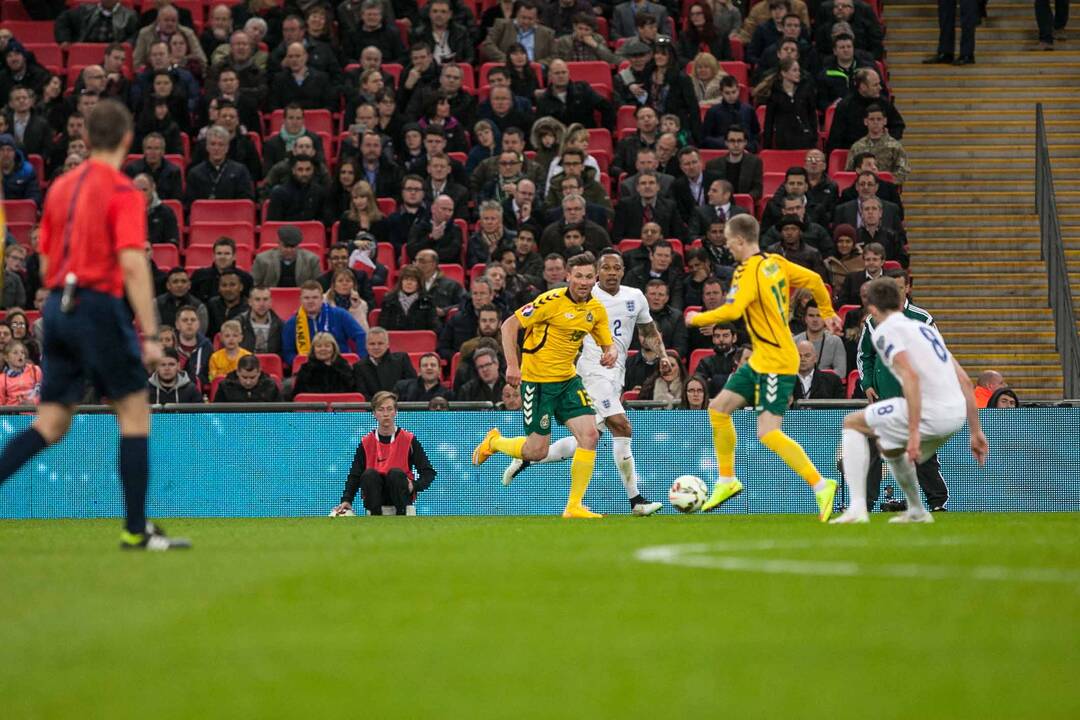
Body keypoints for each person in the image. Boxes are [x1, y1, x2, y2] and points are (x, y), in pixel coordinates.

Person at [0, 99, 188, 550]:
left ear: (85, 139)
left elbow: (45, 255)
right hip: (97, 306)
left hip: (56, 309)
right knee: (134, 411)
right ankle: (136, 529)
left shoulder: (61, 187)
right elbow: (132, 263)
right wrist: (148, 331)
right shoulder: (123, 191)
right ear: (127, 140)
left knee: (50, 423)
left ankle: (137, 526)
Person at [686, 214, 841, 520]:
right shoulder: (776, 262)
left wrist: (697, 319)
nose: (729, 248)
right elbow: (813, 280)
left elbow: (733, 309)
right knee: (718, 410)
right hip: (762, 357)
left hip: (777, 360)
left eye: (730, 242)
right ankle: (727, 479)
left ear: (740, 241)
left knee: (768, 432)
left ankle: (821, 484)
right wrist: (827, 310)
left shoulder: (747, 271)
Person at [472, 252, 617, 518]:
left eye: (588, 277)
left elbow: (606, 342)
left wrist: (611, 352)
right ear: (568, 277)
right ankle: (495, 442)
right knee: (536, 452)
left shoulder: (595, 310)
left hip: (567, 381)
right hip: (537, 384)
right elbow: (508, 326)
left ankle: (574, 506)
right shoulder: (549, 302)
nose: (583, 282)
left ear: (595, 278)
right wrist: (513, 365)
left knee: (590, 436)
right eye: (578, 276)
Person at [832, 278, 988, 523]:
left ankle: (857, 508)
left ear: (871, 308)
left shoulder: (884, 331)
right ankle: (916, 510)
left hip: (930, 411)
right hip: (955, 414)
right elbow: (965, 381)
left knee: (853, 423)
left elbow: (911, 378)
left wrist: (914, 432)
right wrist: (976, 432)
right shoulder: (925, 328)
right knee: (890, 447)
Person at [331, 391, 437, 516]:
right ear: (374, 414)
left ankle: (402, 513)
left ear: (395, 412)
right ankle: (375, 515)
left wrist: (414, 485)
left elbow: (429, 473)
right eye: (381, 410)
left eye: (389, 409)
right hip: (375, 497)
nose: (386, 414)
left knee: (395, 474)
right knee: (369, 474)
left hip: (400, 495)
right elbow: (355, 474)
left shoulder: (409, 439)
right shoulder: (366, 441)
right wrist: (347, 500)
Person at [282, 281, 368, 367]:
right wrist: (302, 365)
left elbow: (360, 335)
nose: (310, 301)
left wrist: (360, 362)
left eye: (315, 297)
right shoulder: (292, 323)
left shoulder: (340, 314)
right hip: (308, 370)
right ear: (300, 300)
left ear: (322, 298)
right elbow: (288, 353)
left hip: (339, 367)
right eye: (306, 298)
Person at [0, 341, 42, 405]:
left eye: (22, 352)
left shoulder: (35, 371)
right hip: (12, 414)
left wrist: (33, 401)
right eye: (15, 353)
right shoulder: (2, 379)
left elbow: (44, 393)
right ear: (6, 358)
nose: (20, 355)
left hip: (35, 413)